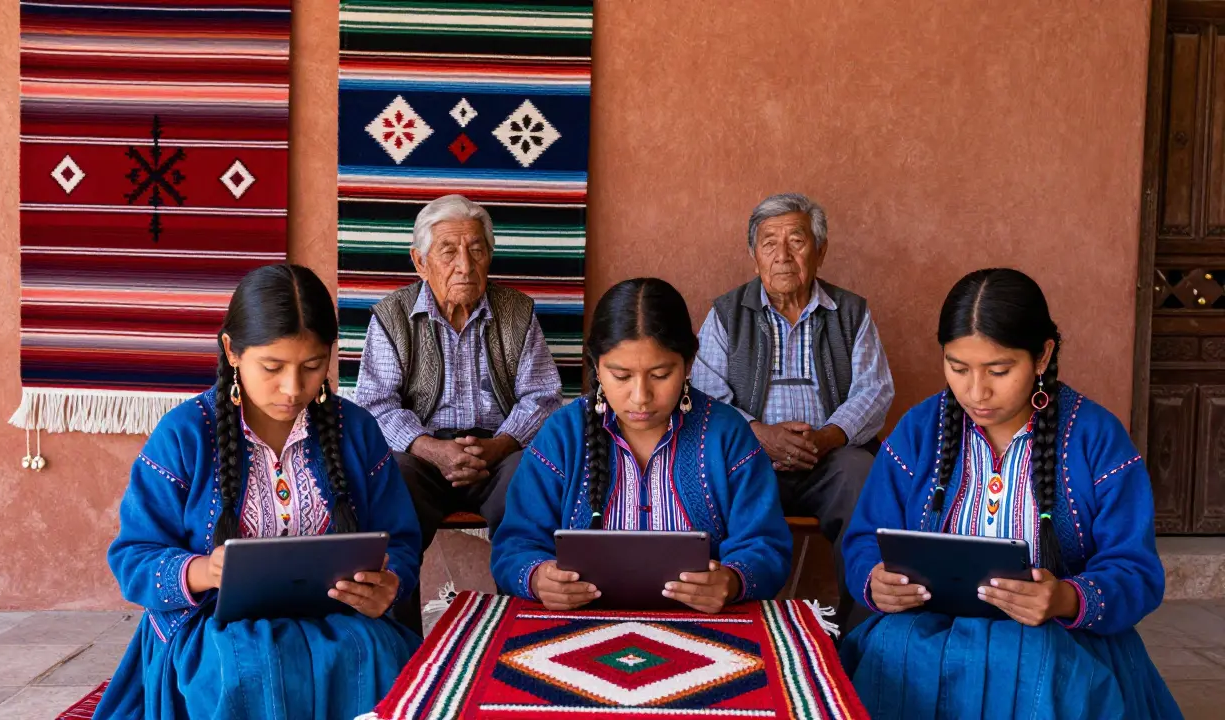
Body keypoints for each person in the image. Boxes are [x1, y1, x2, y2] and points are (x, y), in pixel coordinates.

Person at [840, 268, 1181, 718]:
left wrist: (1068, 598)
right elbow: (866, 538)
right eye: (957, 367)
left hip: (1056, 638)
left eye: (999, 370)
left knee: (1032, 664)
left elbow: (1136, 569)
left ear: (1042, 356)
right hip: (928, 631)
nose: (976, 391)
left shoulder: (1096, 439)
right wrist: (876, 582)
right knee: (891, 649)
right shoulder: (920, 432)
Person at [95, 265, 422, 720]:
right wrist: (203, 571)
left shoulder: (357, 430)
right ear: (232, 351)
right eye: (272, 367)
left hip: (338, 618)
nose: (292, 388)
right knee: (249, 668)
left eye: (312, 367)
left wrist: (390, 582)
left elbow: (401, 539)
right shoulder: (185, 435)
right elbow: (133, 556)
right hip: (215, 626)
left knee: (373, 656)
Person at [491, 278, 792, 611]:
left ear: (688, 365)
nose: (640, 397)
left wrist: (732, 581)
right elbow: (515, 544)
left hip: (709, 633)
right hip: (578, 632)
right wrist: (537, 577)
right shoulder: (564, 435)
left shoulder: (726, 434)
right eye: (621, 376)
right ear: (596, 366)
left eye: (661, 374)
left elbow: (766, 544)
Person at [353, 194, 562, 633]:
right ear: (420, 261)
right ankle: (397, 637)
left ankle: (522, 633)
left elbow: (541, 396)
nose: (465, 265)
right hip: (422, 454)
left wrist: (498, 446)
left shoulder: (517, 311)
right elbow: (376, 404)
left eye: (477, 250)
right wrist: (432, 450)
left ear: (490, 255)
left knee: (532, 479)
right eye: (448, 251)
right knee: (392, 486)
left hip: (500, 449)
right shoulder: (391, 317)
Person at [692, 192, 893, 628]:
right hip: (750, 459)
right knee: (706, 478)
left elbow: (874, 391)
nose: (782, 256)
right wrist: (762, 435)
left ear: (820, 250)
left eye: (796, 241)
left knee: (862, 476)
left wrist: (826, 438)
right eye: (768, 243)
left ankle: (861, 631)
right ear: (753, 254)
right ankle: (729, 627)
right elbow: (706, 396)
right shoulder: (726, 314)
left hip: (830, 460)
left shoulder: (851, 312)